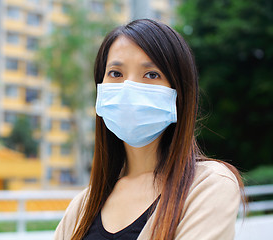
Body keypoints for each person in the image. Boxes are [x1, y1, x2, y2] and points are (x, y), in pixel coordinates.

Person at [54, 19, 245, 240]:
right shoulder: (84, 205)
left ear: (179, 93)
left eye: (151, 75)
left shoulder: (209, 185)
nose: (129, 88)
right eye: (116, 73)